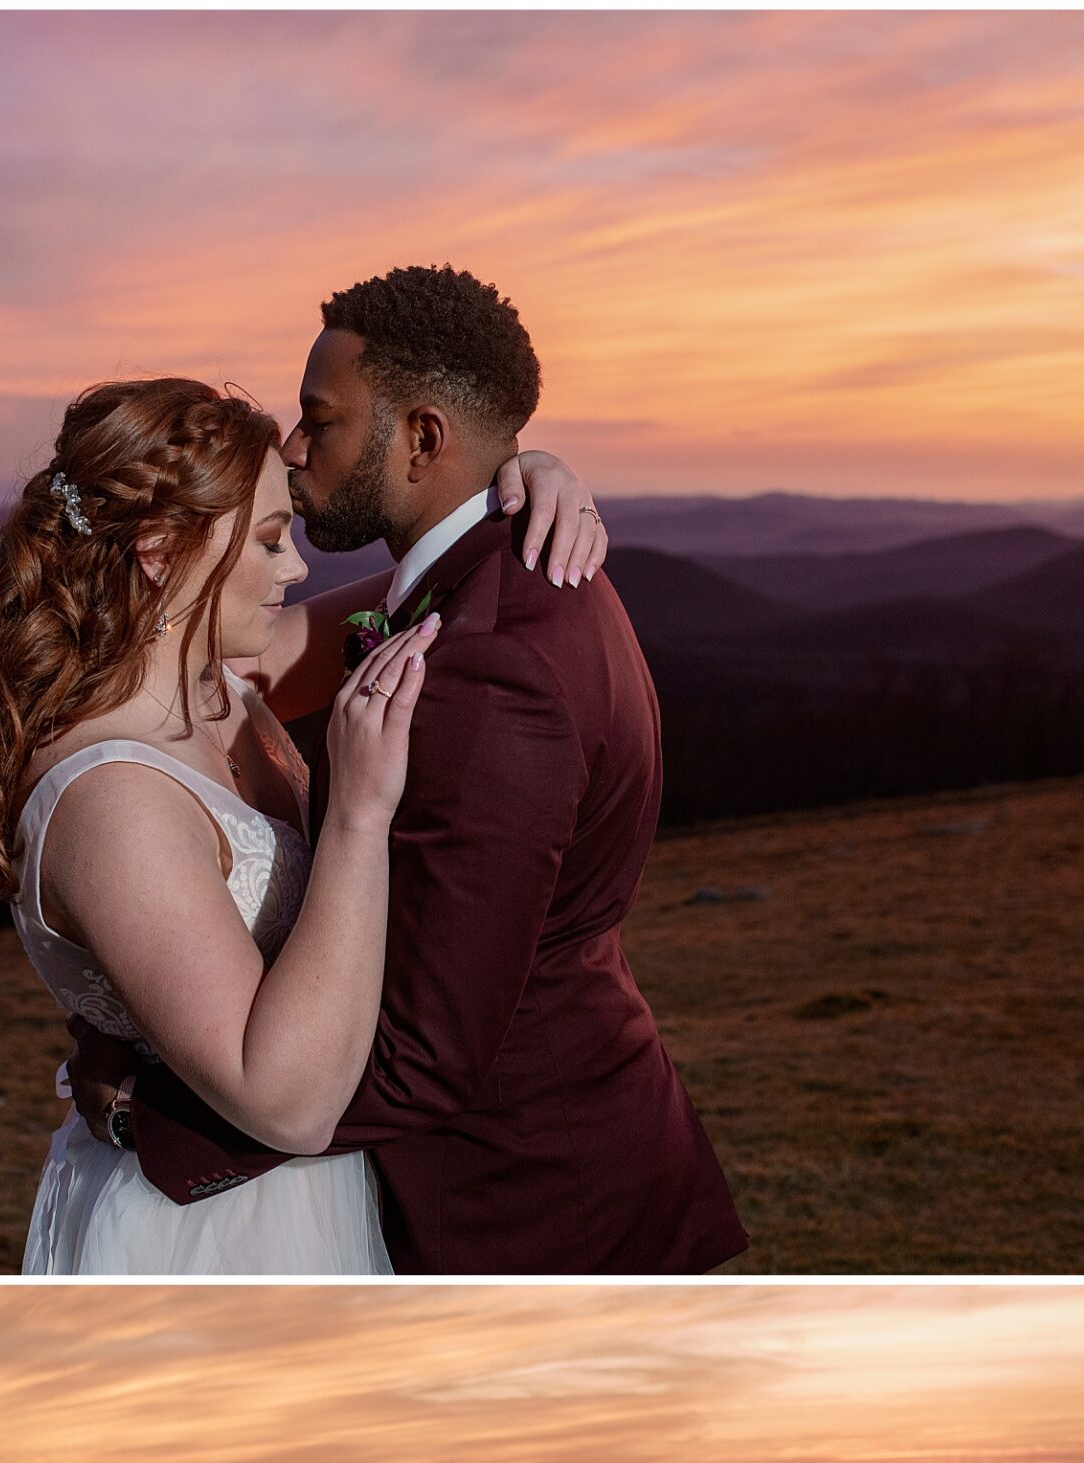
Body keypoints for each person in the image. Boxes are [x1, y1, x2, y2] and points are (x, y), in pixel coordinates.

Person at [72, 264, 749, 1275]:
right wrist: (521, 479)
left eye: (321, 420)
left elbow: (425, 1056)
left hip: (528, 1212)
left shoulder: (491, 666)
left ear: (422, 437)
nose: (294, 452)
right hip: (562, 1163)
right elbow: (264, 650)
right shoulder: (494, 582)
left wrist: (147, 1116)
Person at [0, 371, 600, 1273]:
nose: (295, 568)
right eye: (270, 539)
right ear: (161, 547)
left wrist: (519, 489)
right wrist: (358, 819)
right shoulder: (112, 802)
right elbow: (286, 1103)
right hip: (207, 1238)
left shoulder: (227, 686)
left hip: (311, 1200)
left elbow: (436, 586)